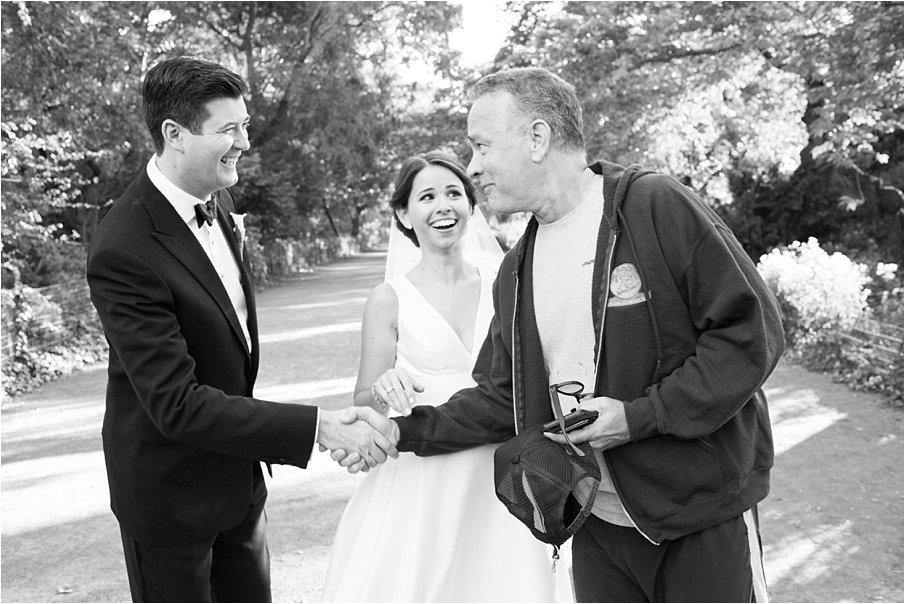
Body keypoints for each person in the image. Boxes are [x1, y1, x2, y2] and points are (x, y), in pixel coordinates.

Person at [340, 67, 784, 602]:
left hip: (699, 518)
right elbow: (500, 398)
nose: (474, 168)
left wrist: (640, 417)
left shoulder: (652, 206)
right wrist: (398, 431)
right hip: (593, 523)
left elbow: (749, 333)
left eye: (481, 147)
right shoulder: (517, 269)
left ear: (537, 138)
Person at [86, 56, 396, 603]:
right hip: (170, 497)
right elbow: (176, 403)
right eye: (228, 130)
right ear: (174, 135)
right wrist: (321, 427)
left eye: (245, 125)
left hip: (239, 482)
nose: (245, 143)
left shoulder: (218, 200)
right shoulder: (122, 248)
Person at [320, 152, 567, 602]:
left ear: (471, 206)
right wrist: (384, 385)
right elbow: (365, 397)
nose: (443, 206)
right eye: (427, 196)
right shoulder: (388, 298)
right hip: (425, 474)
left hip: (501, 467)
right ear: (403, 214)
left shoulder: (507, 280)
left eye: (454, 193)